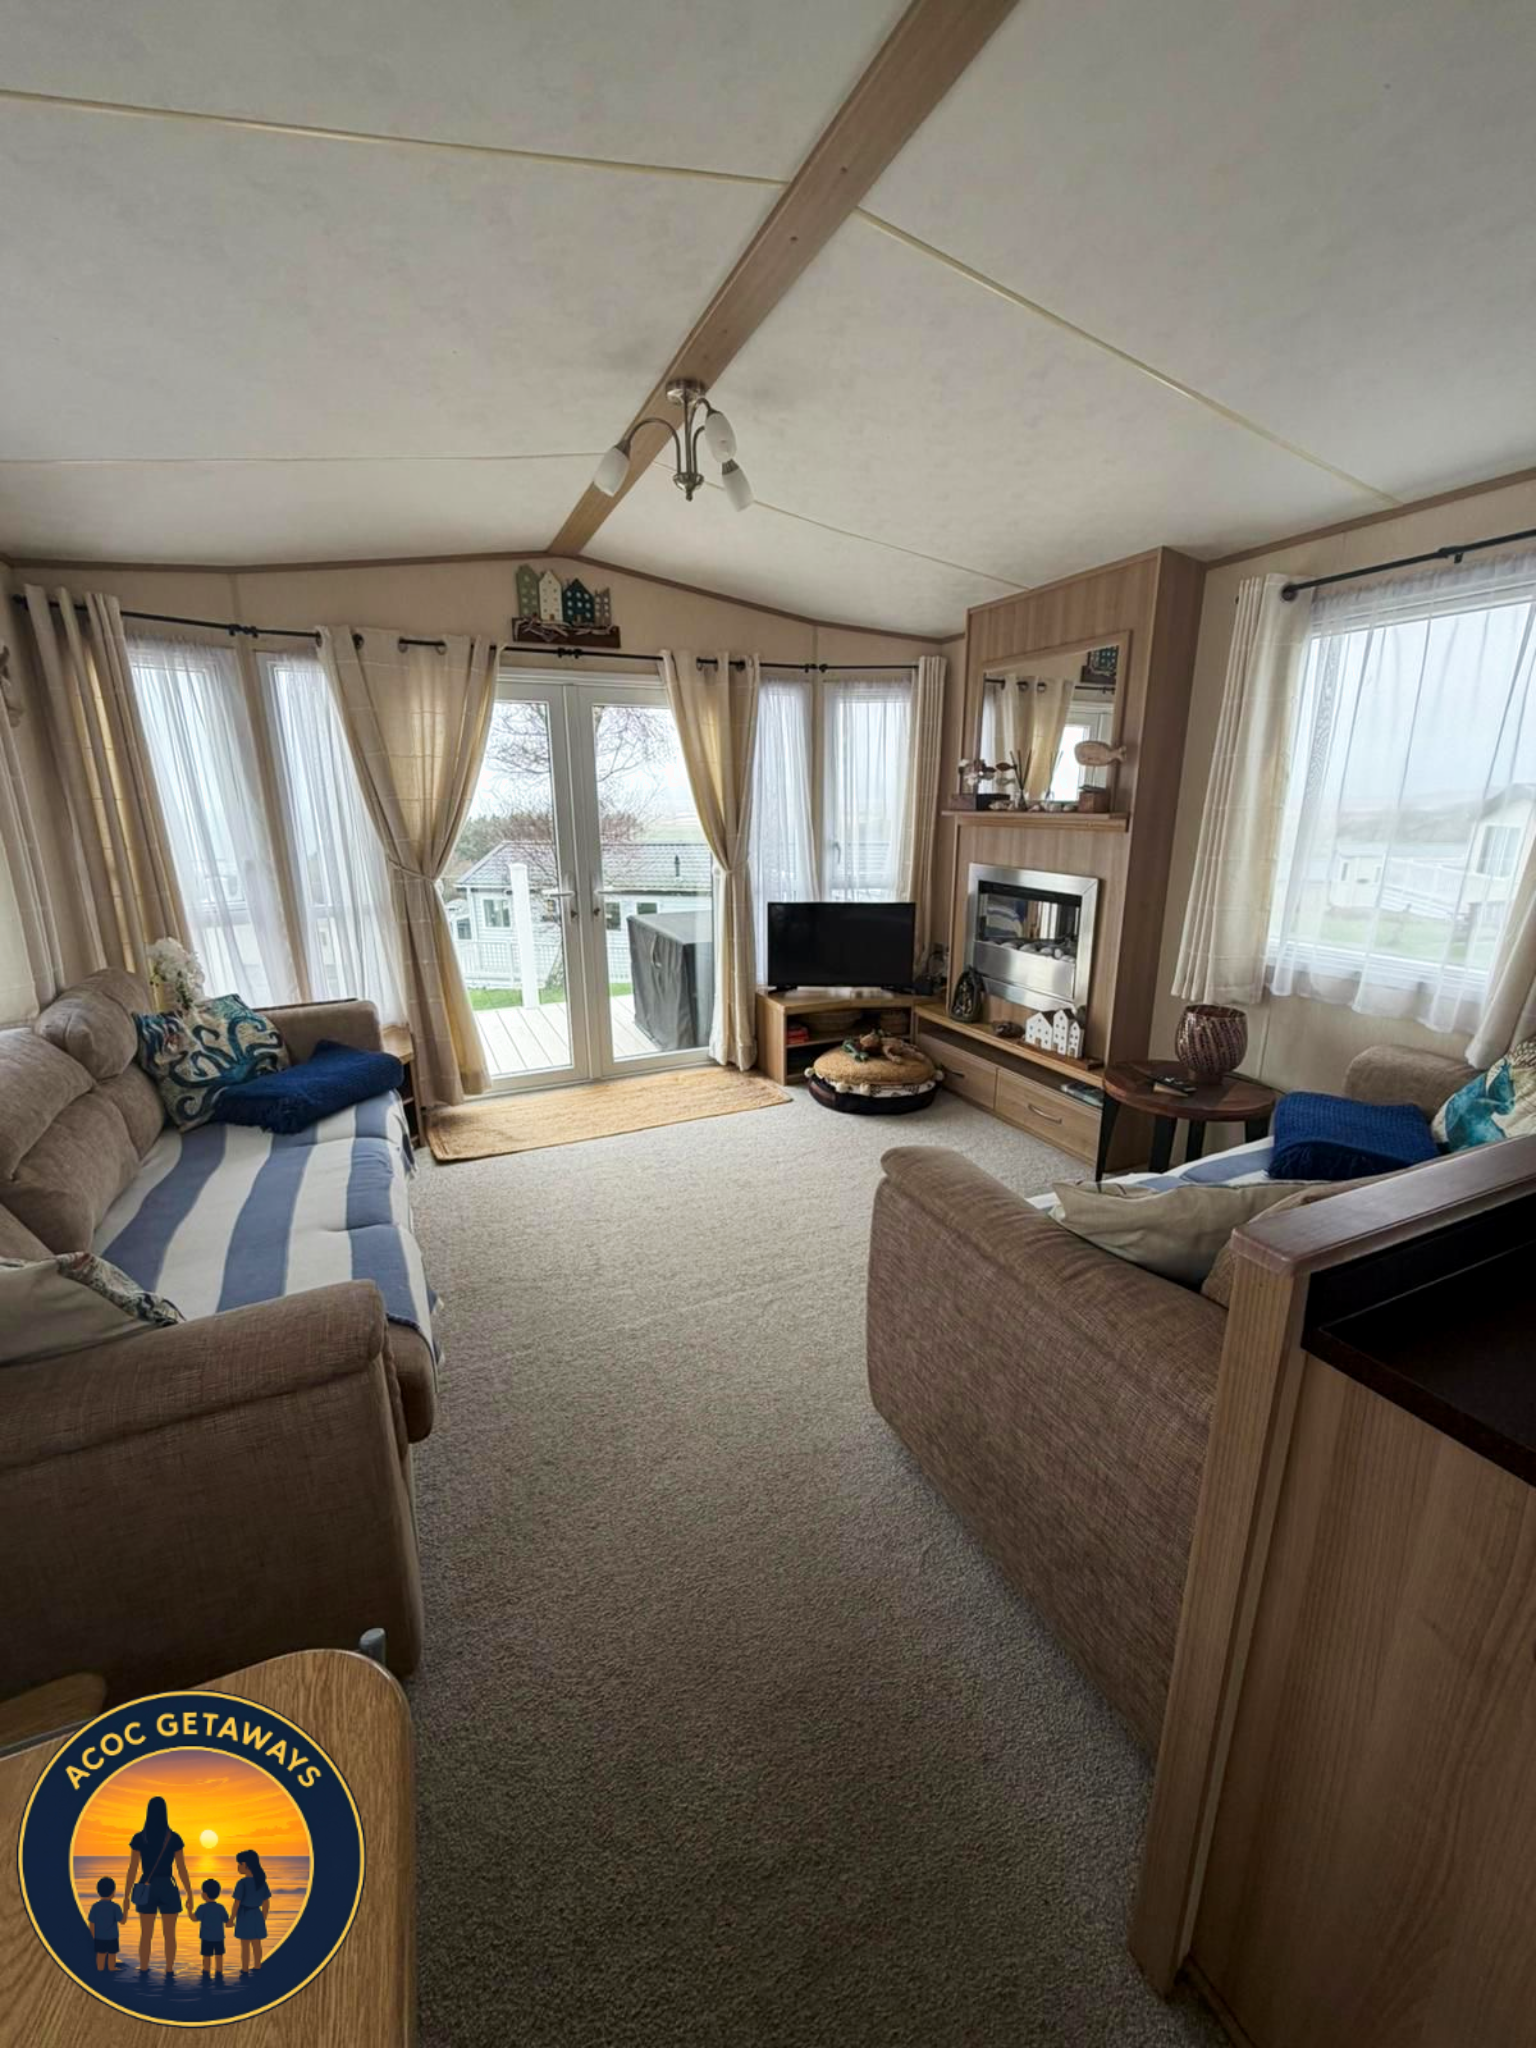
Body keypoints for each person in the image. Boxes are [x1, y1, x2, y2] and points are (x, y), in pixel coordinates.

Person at [122, 1795, 194, 1978]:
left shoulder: (140, 1838)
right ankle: (169, 1970)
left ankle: (144, 1969)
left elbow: (132, 1869)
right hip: (168, 1887)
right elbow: (181, 1868)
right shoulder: (174, 1838)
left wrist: (126, 1896)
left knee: (146, 1934)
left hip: (146, 1886)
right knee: (170, 1934)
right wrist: (190, 1893)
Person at [232, 1851, 270, 1977]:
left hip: (245, 1914)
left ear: (245, 1864)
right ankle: (258, 1966)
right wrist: (263, 1917)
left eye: (239, 1864)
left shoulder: (242, 1883)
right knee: (256, 1943)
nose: (238, 1867)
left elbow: (236, 1903)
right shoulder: (261, 1882)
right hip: (257, 1914)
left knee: (245, 1945)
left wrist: (232, 1918)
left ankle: (245, 1969)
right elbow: (266, 1903)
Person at [192, 1878, 229, 1983]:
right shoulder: (220, 1907)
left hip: (206, 1937)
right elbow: (226, 1919)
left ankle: (206, 1973)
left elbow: (195, 1919)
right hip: (219, 1937)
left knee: (206, 1956)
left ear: (204, 1894)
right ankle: (219, 1972)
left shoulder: (202, 1908)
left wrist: (189, 1910)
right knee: (219, 1956)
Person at [87, 1876, 124, 1973]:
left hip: (99, 1937)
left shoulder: (95, 1907)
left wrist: (93, 1936)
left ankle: (100, 1969)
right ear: (113, 1892)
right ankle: (111, 1968)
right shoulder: (115, 1907)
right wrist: (126, 1910)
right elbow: (122, 1921)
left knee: (100, 1954)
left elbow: (92, 1923)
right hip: (112, 1937)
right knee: (112, 1954)